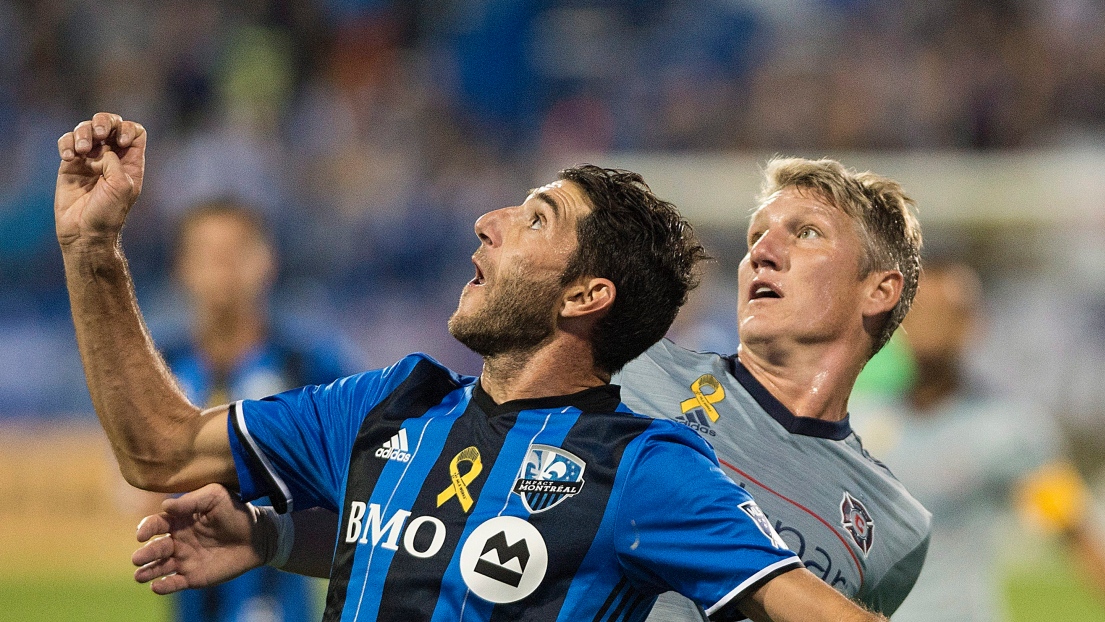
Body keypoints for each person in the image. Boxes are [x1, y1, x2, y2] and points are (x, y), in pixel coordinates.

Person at [55, 112, 889, 622]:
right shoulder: (387, 404)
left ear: (585, 294)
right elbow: (159, 450)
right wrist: (92, 247)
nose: (488, 222)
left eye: (534, 219)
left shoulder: (643, 469)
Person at [848, 259, 1105, 621]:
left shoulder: (1007, 431)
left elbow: (1074, 531)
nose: (929, 327)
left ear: (972, 324)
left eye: (945, 314)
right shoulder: (859, 420)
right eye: (918, 313)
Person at [158, 200, 352, 621]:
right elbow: (135, 484)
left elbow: (355, 490)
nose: (223, 267)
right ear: (181, 267)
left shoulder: (310, 367)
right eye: (208, 254)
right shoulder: (160, 367)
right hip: (189, 597)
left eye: (236, 252)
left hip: (280, 595)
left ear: (268, 261)